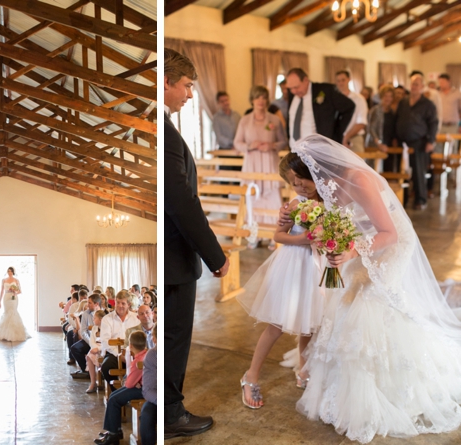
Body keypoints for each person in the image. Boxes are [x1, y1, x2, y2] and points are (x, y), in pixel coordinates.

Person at [283, 134, 461, 443]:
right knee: (346, 296)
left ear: (318, 171)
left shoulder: (358, 179)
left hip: (391, 245)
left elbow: (389, 233)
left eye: (302, 180)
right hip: (361, 242)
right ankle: (341, 379)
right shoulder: (327, 186)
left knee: (369, 302)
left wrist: (350, 251)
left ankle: (387, 383)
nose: (300, 188)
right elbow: (332, 217)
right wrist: (305, 222)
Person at [164, 48, 229, 439]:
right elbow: (182, 201)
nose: (190, 95)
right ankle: (171, 414)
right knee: (175, 338)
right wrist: (215, 255)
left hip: (172, 254)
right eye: (186, 86)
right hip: (174, 256)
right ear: (166, 82)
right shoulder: (163, 133)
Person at [237, 153, 324, 408]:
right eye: (293, 183)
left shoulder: (329, 201)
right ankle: (250, 375)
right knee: (277, 324)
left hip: (316, 267)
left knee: (310, 322)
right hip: (294, 265)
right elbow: (278, 236)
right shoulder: (295, 204)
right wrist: (305, 240)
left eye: (302, 180)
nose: (299, 187)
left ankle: (304, 370)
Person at [233, 85, 287, 238]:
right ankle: (253, 234)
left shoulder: (275, 119)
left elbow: (283, 141)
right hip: (252, 163)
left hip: (270, 161)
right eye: (257, 97)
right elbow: (237, 143)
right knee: (252, 197)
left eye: (263, 97)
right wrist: (250, 145)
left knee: (272, 198)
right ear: (252, 100)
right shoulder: (244, 120)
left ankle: (273, 236)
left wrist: (272, 145)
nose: (261, 101)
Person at [94, 331, 148, 445]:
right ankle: (115, 430)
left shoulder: (138, 360)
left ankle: (114, 435)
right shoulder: (144, 354)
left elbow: (128, 384)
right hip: (142, 386)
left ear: (131, 345)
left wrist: (133, 382)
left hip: (144, 390)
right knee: (114, 395)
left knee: (114, 400)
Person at [395, 74, 438, 210]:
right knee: (402, 171)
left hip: (419, 142)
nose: (414, 87)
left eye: (417, 84)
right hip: (403, 142)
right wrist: (395, 137)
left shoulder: (428, 104)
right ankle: (404, 198)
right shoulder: (403, 102)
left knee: (419, 171)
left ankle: (420, 199)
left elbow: (433, 123)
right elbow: (397, 119)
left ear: (422, 87)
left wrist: (430, 141)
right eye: (412, 84)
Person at [285, 67, 355, 147]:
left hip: (318, 148)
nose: (293, 91)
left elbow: (349, 106)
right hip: (295, 148)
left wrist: (336, 133)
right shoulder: (293, 95)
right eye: (290, 88)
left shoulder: (325, 90)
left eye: (296, 87)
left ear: (305, 80)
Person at [0, 266, 31, 342]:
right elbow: (1, 291)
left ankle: (14, 334)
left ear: (13, 272)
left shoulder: (16, 280)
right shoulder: (3, 280)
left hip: (14, 297)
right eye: (8, 271)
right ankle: (4, 334)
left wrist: (15, 292)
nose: (9, 272)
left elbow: (20, 291)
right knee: (6, 312)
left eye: (10, 271)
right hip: (6, 297)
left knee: (13, 312)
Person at [367, 84, 398, 172]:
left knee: (389, 171)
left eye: (390, 96)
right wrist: (379, 143)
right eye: (386, 96)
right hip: (376, 145)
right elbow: (371, 129)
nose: (388, 98)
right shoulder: (375, 110)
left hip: (389, 146)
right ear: (381, 96)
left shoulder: (392, 112)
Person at [335, 70, 368, 153]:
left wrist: (347, 136)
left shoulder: (359, 99)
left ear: (349, 79)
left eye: (343, 80)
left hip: (354, 137)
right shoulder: (334, 99)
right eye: (338, 81)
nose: (341, 83)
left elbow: (361, 122)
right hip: (337, 138)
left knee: (356, 165)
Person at [140, 325, 157, 445]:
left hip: (172, 395)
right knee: (146, 415)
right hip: (157, 396)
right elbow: (147, 390)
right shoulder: (152, 355)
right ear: (154, 339)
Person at [438, 73, 461, 153]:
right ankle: (439, 164)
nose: (441, 84)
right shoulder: (438, 94)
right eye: (440, 82)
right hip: (440, 125)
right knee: (438, 148)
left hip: (453, 125)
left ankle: (452, 164)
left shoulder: (457, 93)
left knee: (453, 147)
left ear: (449, 81)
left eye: (443, 82)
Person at [85, 309, 106, 394]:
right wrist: (94, 348)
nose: (93, 320)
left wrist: (98, 349)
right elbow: (91, 341)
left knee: (93, 354)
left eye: (95, 318)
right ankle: (93, 382)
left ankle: (98, 381)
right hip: (95, 348)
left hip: (103, 349)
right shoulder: (94, 328)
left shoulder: (106, 328)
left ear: (100, 320)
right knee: (89, 355)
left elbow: (106, 342)